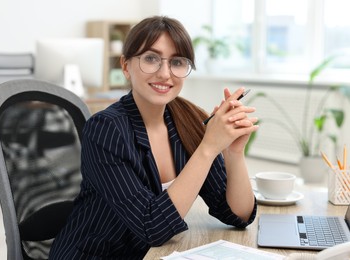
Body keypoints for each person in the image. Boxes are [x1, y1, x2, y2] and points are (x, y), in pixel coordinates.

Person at [49, 15, 259, 259]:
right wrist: (208, 148)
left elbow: (238, 215)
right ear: (126, 66)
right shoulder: (105, 129)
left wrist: (233, 152)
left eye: (177, 62)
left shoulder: (189, 120)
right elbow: (153, 227)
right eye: (151, 59)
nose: (165, 73)